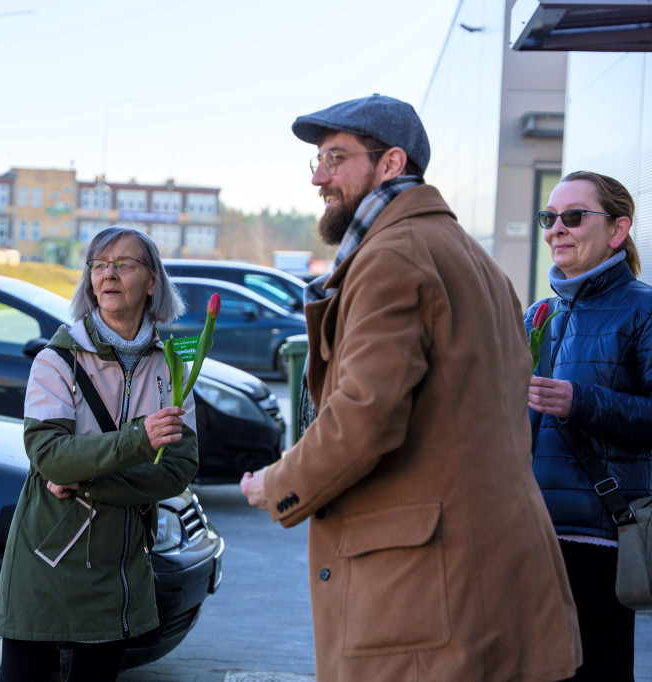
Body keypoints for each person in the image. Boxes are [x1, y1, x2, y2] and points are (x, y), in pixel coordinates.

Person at [239, 94, 582, 680]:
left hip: (424, 598)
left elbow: (364, 417)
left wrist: (279, 482)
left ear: (392, 163)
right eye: (317, 161)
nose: (320, 176)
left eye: (336, 158)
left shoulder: (392, 257)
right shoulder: (474, 259)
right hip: (493, 581)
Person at [0, 225, 199, 681]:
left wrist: (85, 478)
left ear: (152, 282)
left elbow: (178, 471)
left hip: (121, 566)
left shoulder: (173, 368)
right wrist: (138, 442)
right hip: (46, 558)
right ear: (89, 280)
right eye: (99, 265)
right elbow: (49, 456)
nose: (109, 274)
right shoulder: (55, 361)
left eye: (124, 264)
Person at [527, 170, 652, 681]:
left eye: (573, 217)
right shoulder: (539, 315)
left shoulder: (644, 309)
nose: (557, 228)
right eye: (549, 217)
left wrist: (583, 402)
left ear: (618, 230)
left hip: (603, 539)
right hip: (534, 534)